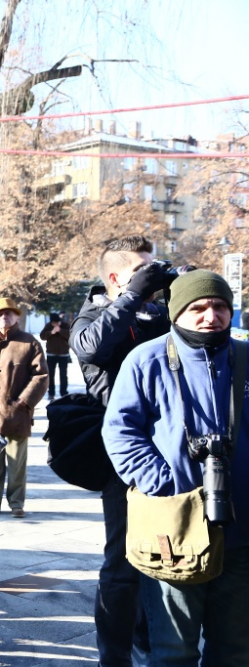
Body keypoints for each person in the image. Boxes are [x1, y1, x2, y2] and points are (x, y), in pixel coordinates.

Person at [103, 270, 249, 665]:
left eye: (220, 307)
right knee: (172, 651)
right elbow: (119, 433)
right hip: (173, 532)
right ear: (176, 312)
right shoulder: (146, 359)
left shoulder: (245, 357)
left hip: (241, 531)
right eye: (197, 307)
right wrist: (165, 484)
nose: (210, 316)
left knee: (236, 651)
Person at [70, 235, 170, 666]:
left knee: (167, 553)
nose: (149, 280)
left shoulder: (154, 314)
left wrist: (180, 289)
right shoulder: (92, 315)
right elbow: (92, 347)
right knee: (124, 561)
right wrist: (132, 295)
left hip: (169, 449)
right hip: (122, 454)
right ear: (115, 278)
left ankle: (152, 642)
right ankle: (114, 656)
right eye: (140, 271)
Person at [0, 297, 48, 518]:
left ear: (17, 316)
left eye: (9, 313)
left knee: (17, 464)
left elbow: (41, 376)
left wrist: (24, 402)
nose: (4, 317)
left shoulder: (29, 343)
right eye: (0, 314)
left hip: (17, 415)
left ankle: (17, 503)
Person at [39, 313, 71, 398]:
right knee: (50, 375)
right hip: (51, 354)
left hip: (63, 354)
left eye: (57, 323)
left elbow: (70, 335)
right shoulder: (48, 326)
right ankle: (51, 393)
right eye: (54, 323)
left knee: (63, 375)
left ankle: (64, 393)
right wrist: (51, 332)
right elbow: (42, 336)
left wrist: (60, 330)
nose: (56, 324)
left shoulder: (66, 325)